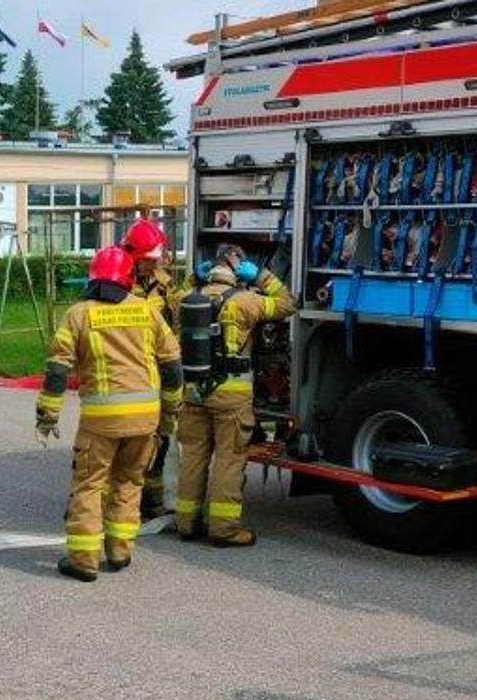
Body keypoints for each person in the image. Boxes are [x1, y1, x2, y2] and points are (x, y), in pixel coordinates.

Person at [37, 245, 183, 582]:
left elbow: (58, 371)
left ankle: (84, 559)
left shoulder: (78, 314)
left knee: (89, 485)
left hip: (101, 420)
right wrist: (170, 412)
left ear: (93, 277)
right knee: (130, 481)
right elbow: (173, 367)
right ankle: (119, 551)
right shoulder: (147, 311)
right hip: (145, 418)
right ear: (128, 279)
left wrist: (47, 415)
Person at [173, 244, 296, 546]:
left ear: (211, 267)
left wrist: (193, 278)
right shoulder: (245, 301)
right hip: (231, 394)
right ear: (237, 271)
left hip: (194, 391)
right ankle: (224, 529)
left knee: (193, 457)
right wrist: (261, 276)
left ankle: (186, 523)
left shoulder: (186, 299)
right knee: (229, 459)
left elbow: (169, 299)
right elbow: (287, 303)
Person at [122, 218, 180, 518]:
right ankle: (113, 502)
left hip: (156, 370)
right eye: (148, 259)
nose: (153, 264)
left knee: (159, 439)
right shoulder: (116, 281)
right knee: (123, 441)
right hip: (128, 371)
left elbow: (174, 323)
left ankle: (151, 499)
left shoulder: (165, 284)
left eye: (155, 259)